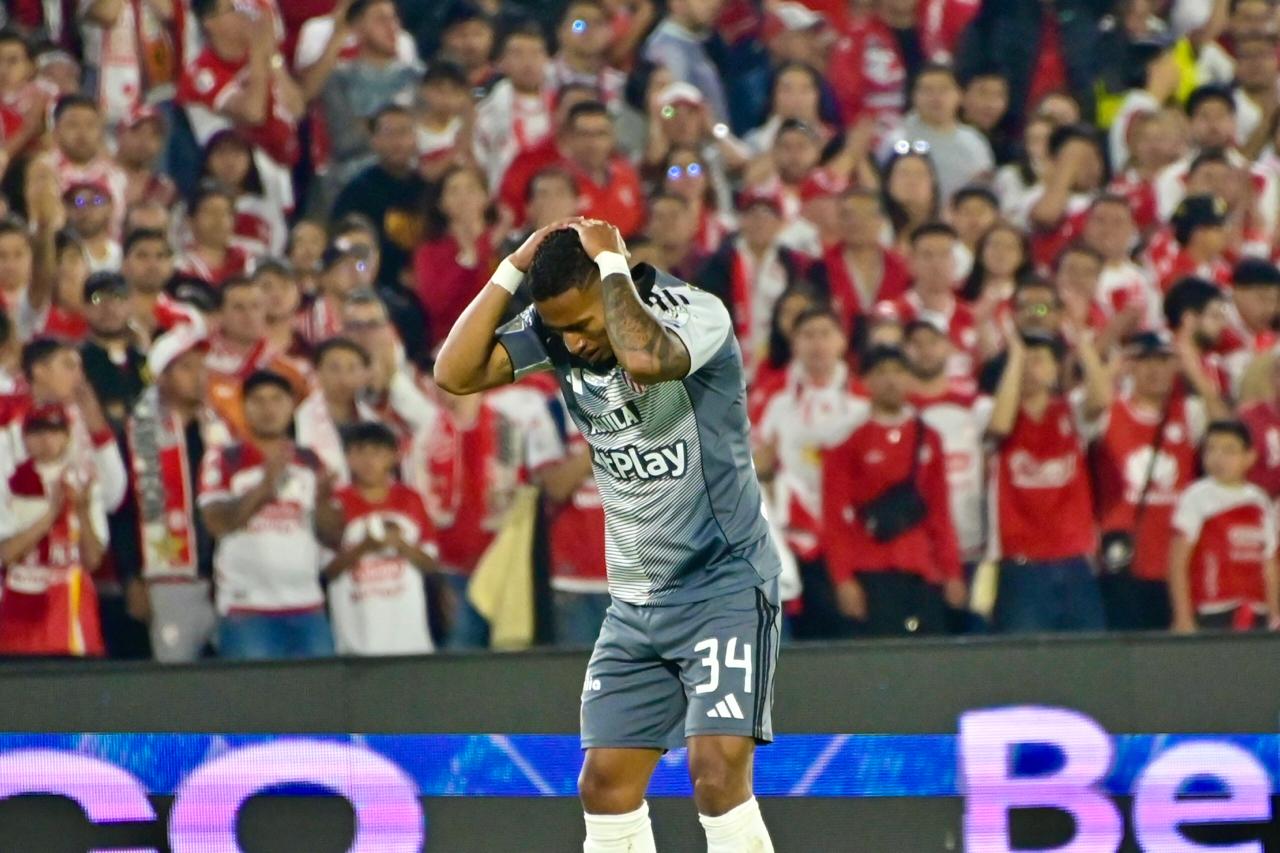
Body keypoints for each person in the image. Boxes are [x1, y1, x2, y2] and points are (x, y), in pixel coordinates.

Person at [435, 219, 779, 851]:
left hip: (724, 585)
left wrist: (615, 269)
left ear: (611, 281)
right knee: (605, 783)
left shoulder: (696, 314)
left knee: (716, 772)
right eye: (558, 327)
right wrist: (512, 268)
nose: (571, 341)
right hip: (636, 599)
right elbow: (454, 372)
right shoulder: (561, 329)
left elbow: (647, 359)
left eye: (583, 324)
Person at [821, 343, 965, 637]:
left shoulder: (929, 438)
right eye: (881, 372)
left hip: (923, 571)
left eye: (899, 372)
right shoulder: (847, 441)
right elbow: (834, 516)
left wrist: (952, 572)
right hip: (871, 573)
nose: (891, 380)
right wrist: (843, 579)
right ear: (866, 382)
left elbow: (939, 510)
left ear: (910, 380)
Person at [198, 370, 342, 660]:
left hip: (307, 606)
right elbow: (217, 523)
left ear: (291, 407)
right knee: (256, 700)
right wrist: (266, 485)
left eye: (277, 400)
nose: (268, 409)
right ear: (245, 407)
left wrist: (324, 500)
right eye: (258, 401)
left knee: (317, 699)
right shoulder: (226, 457)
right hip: (247, 610)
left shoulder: (311, 460)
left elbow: (332, 537)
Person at [987, 327, 1111, 633]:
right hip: (1021, 562)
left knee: (1086, 659)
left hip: (1074, 559)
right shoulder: (989, 411)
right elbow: (1000, 425)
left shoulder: (1070, 410)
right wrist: (1015, 358)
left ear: (1056, 368)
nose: (1030, 367)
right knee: (1027, 663)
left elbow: (1102, 399)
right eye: (1023, 361)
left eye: (1039, 360)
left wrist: (1083, 345)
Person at [754, 306, 866, 639]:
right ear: (794, 344)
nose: (817, 344)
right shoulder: (773, 400)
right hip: (795, 538)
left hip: (852, 537)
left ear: (842, 342)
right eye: (807, 335)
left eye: (825, 334)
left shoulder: (864, 399)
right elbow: (753, 465)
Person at [122, 325, 231, 663]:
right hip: (168, 578)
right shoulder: (138, 432)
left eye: (202, 367)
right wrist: (132, 577)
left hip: (225, 578)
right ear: (162, 377)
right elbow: (126, 509)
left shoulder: (220, 430)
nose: (199, 377)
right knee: (174, 676)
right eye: (186, 368)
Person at [1089, 331, 1205, 631]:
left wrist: (1194, 370)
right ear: (1131, 367)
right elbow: (1088, 408)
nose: (1155, 370)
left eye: (1164, 361)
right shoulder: (1111, 413)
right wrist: (1109, 372)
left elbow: (1227, 428)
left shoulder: (1189, 414)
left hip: (1176, 561)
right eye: (1144, 361)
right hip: (1124, 559)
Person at [0, 403, 108, 657]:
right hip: (21, 616)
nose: (46, 439)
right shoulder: (10, 486)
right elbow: (5, 555)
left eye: (54, 431)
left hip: (72, 616)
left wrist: (81, 510)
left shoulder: (85, 485)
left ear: (67, 436)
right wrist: (51, 515)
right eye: (37, 432)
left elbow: (92, 560)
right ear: (25, 438)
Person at [326, 421, 438, 656]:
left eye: (376, 452)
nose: (368, 461)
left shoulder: (411, 500)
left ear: (393, 456)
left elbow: (431, 563)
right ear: (347, 457)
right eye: (359, 452)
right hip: (357, 642)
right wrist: (364, 547)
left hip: (409, 641)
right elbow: (328, 570)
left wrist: (402, 546)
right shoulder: (336, 503)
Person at [1169, 420, 1280, 633]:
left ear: (1250, 457)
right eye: (1211, 449)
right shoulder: (1196, 496)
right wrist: (1183, 617)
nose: (1219, 458)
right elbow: (1178, 562)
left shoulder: (1259, 500)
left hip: (1256, 610)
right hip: (1213, 610)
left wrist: (1274, 614)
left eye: (1229, 451)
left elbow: (1269, 564)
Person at [318, 0, 422, 189]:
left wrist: (369, 124)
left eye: (394, 19)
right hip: (353, 176)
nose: (392, 27)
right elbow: (345, 140)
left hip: (411, 174)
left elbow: (425, 134)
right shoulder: (339, 79)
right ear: (358, 28)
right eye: (381, 20)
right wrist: (399, 131)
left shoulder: (417, 77)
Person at [879, 64, 995, 202]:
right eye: (927, 90)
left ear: (960, 95)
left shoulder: (975, 141)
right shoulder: (897, 139)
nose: (935, 97)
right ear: (913, 96)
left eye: (944, 90)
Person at [473, 23, 554, 191]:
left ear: (547, 60)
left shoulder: (561, 109)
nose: (528, 62)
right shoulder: (486, 113)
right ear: (502, 62)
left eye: (535, 53)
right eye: (518, 54)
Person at [295, 337, 377, 482]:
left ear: (365, 374)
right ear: (317, 372)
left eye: (352, 368)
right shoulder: (299, 418)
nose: (343, 378)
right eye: (334, 368)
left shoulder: (372, 418)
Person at [642, 0, 729, 124]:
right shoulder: (666, 50)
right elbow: (668, 113)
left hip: (714, 138)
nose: (715, 3)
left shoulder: (704, 41)